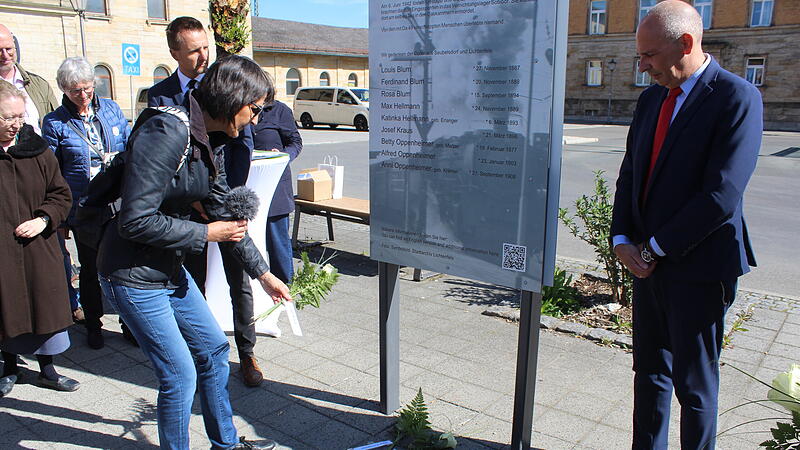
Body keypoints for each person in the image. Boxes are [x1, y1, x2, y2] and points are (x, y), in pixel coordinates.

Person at [96, 55, 290, 450]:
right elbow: (134, 220)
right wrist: (205, 233)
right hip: (132, 274)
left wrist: (265, 276)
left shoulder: (209, 139)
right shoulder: (168, 130)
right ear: (233, 98)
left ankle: (226, 443)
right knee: (179, 374)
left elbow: (226, 220)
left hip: (168, 268)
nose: (256, 120)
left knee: (215, 350)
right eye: (254, 109)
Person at [610, 2, 762, 448]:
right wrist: (622, 239)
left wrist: (654, 248)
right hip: (645, 264)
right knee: (650, 375)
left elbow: (720, 195)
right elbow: (631, 173)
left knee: (694, 387)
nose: (642, 66)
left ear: (686, 43)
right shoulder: (650, 98)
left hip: (698, 267)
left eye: (650, 55)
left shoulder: (736, 98)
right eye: (640, 55)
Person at [148, 16, 264, 387]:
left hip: (222, 196)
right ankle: (195, 351)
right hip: (188, 211)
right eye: (194, 50)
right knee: (190, 280)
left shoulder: (227, 86)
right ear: (174, 53)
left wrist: (224, 197)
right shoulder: (164, 103)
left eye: (206, 49)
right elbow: (145, 201)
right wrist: (195, 199)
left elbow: (241, 144)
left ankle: (246, 353)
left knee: (238, 280)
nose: (202, 56)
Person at [41, 57, 130, 350]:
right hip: (85, 207)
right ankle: (94, 324)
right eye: (76, 91)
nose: (83, 95)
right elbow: (52, 170)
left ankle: (130, 325)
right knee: (90, 270)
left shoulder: (112, 109)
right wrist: (61, 217)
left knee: (123, 266)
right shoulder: (55, 123)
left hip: (116, 202)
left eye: (88, 88)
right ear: (64, 90)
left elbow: (128, 148)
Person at [0, 80, 79, 397]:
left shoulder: (38, 150)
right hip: (3, 252)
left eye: (19, 117)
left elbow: (61, 195)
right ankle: (9, 367)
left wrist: (43, 218)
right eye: (7, 118)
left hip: (38, 248)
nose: (16, 124)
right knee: (6, 310)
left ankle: (48, 370)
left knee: (43, 309)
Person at [0, 24, 81, 321]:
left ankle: (67, 308)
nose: (5, 54)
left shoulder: (35, 84)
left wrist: (47, 213)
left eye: (9, 48)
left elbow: (53, 126)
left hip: (37, 174)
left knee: (53, 263)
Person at [252, 97, 303, 284]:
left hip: (276, 188)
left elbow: (296, 143)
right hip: (248, 187)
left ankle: (284, 287)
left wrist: (282, 156)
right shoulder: (240, 107)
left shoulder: (279, 110)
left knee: (278, 244)